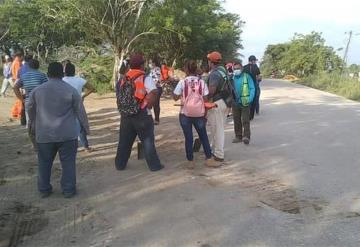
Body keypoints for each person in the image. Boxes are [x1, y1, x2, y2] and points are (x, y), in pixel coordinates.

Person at [27, 62, 89, 198]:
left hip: (44, 134)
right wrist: (86, 128)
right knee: (68, 163)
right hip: (67, 134)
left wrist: (32, 125)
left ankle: (44, 189)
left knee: (44, 162)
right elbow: (80, 111)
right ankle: (68, 190)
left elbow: (30, 109)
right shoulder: (70, 90)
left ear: (48, 74)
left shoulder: (37, 91)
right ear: (62, 74)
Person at [115, 54, 163, 172]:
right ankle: (154, 166)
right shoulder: (144, 77)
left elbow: (119, 95)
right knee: (147, 141)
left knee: (124, 141)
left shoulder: (122, 78)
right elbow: (154, 92)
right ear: (142, 65)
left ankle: (120, 165)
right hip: (141, 114)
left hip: (125, 114)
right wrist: (148, 106)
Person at [173, 60, 219, 169]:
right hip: (199, 114)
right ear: (195, 69)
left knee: (188, 138)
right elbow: (206, 98)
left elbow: (175, 97)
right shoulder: (201, 82)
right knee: (203, 136)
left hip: (185, 114)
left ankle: (190, 161)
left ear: (186, 70)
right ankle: (209, 159)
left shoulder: (182, 82)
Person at [13, 59, 48, 150]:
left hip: (29, 102)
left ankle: (35, 145)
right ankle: (43, 141)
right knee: (43, 121)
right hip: (41, 102)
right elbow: (47, 88)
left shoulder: (24, 76)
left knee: (30, 123)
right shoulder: (42, 75)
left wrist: (22, 99)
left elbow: (15, 87)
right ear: (38, 66)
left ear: (29, 66)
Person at [63, 62, 95, 152]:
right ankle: (86, 147)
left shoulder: (62, 80)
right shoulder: (79, 80)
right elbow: (92, 88)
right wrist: (83, 96)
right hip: (77, 104)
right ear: (74, 71)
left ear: (65, 72)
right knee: (80, 127)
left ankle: (69, 147)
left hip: (65, 105)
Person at [206, 51, 231, 163]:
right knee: (218, 128)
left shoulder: (215, 74)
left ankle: (219, 155)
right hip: (226, 102)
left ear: (211, 62)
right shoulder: (223, 71)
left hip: (217, 102)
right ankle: (215, 150)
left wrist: (203, 99)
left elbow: (211, 90)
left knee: (218, 129)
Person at [231, 61, 255, 144]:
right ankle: (238, 136)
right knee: (236, 120)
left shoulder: (247, 77)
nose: (236, 70)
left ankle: (246, 136)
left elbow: (252, 88)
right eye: (235, 69)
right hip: (235, 103)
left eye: (238, 68)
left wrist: (250, 98)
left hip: (245, 102)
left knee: (245, 120)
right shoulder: (231, 78)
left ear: (242, 68)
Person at [243, 55, 261, 120]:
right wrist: (258, 80)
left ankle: (246, 114)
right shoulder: (256, 67)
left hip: (246, 86)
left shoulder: (244, 67)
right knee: (254, 99)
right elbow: (259, 77)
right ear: (253, 60)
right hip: (254, 86)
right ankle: (251, 116)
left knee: (246, 98)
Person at [149, 56, 162, 125]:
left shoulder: (157, 69)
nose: (150, 63)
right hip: (152, 88)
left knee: (156, 104)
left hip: (156, 88)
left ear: (154, 63)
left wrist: (152, 86)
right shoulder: (152, 70)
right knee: (153, 103)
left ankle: (157, 120)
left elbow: (157, 80)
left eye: (151, 62)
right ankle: (154, 119)